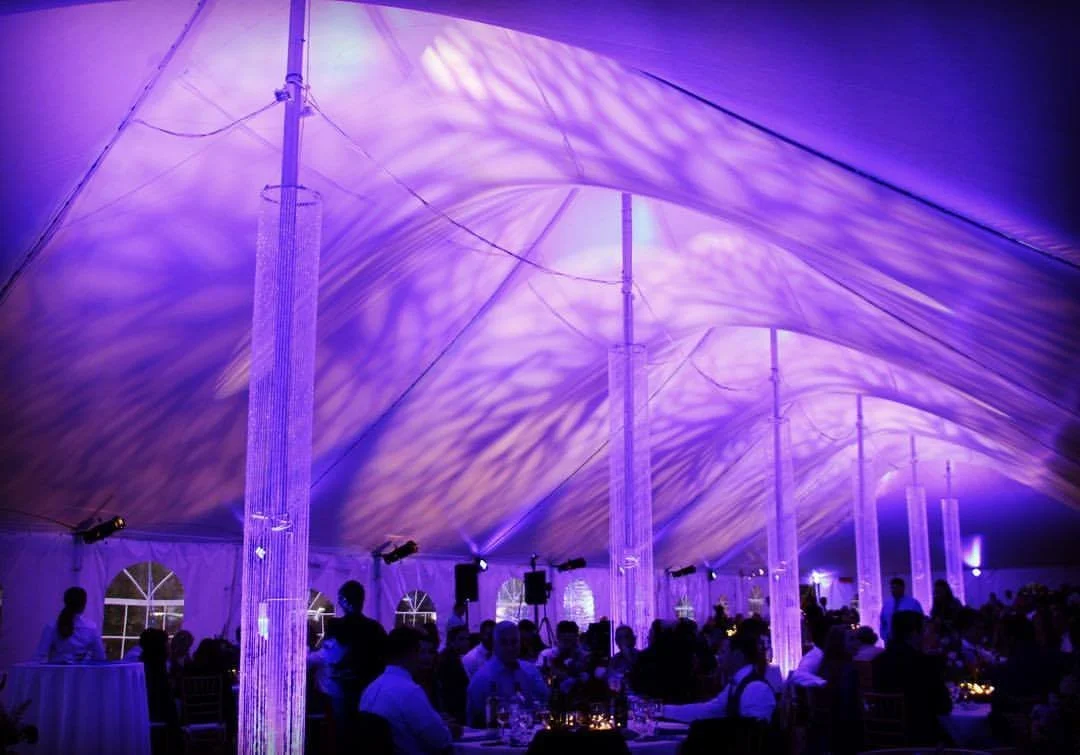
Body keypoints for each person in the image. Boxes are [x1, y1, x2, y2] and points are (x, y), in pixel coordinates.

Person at [359, 626, 454, 755]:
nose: (423, 657)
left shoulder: (370, 689)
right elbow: (440, 741)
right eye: (420, 652)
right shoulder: (410, 691)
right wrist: (448, 730)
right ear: (412, 653)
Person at [661, 627, 776, 723]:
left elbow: (753, 735)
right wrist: (662, 710)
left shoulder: (756, 688)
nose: (719, 657)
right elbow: (707, 710)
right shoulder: (737, 683)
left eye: (723, 652)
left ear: (737, 655)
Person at [872, 610, 951, 745]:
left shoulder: (880, 660)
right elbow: (944, 705)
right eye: (925, 630)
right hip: (919, 734)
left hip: (884, 734)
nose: (928, 635)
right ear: (914, 633)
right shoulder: (923, 663)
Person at [466, 621, 550, 728]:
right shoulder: (481, 679)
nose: (510, 647)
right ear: (494, 645)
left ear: (520, 643)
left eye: (514, 642)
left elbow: (545, 702)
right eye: (504, 642)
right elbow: (474, 723)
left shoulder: (530, 671)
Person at [33, 586, 106, 662]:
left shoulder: (51, 627)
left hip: (56, 670)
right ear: (83, 605)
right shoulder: (91, 628)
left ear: (65, 602)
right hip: (82, 670)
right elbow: (100, 657)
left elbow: (38, 657)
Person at [435, 625, 470, 724]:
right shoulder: (448, 660)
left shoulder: (453, 657)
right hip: (452, 713)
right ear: (451, 641)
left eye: (467, 639)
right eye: (461, 639)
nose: (466, 642)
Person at [880, 577, 924, 644]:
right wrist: (884, 636)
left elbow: (920, 621)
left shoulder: (913, 603)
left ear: (903, 588)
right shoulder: (887, 604)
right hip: (890, 640)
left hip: (908, 640)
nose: (894, 590)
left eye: (896, 588)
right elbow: (883, 622)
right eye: (892, 588)